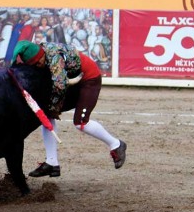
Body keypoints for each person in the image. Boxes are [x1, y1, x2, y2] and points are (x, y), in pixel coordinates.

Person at [10, 40, 127, 177]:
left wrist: (54, 106)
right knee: (47, 115)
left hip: (88, 79)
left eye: (38, 62)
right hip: (71, 81)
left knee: (81, 122)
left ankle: (116, 144)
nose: (38, 66)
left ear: (41, 54)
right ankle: (52, 163)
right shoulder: (39, 54)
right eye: (34, 65)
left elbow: (60, 85)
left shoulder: (54, 58)